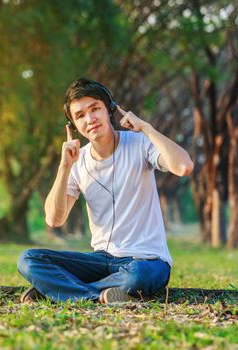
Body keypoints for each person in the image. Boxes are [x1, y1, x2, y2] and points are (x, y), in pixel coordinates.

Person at [17, 77, 194, 304]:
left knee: (137, 278)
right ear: (72, 125)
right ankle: (99, 296)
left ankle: (59, 291)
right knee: (29, 259)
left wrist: (147, 128)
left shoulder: (139, 143)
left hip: (146, 260)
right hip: (100, 261)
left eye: (95, 109)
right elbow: (54, 219)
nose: (90, 119)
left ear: (109, 110)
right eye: (80, 115)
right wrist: (64, 167)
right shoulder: (77, 163)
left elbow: (183, 166)